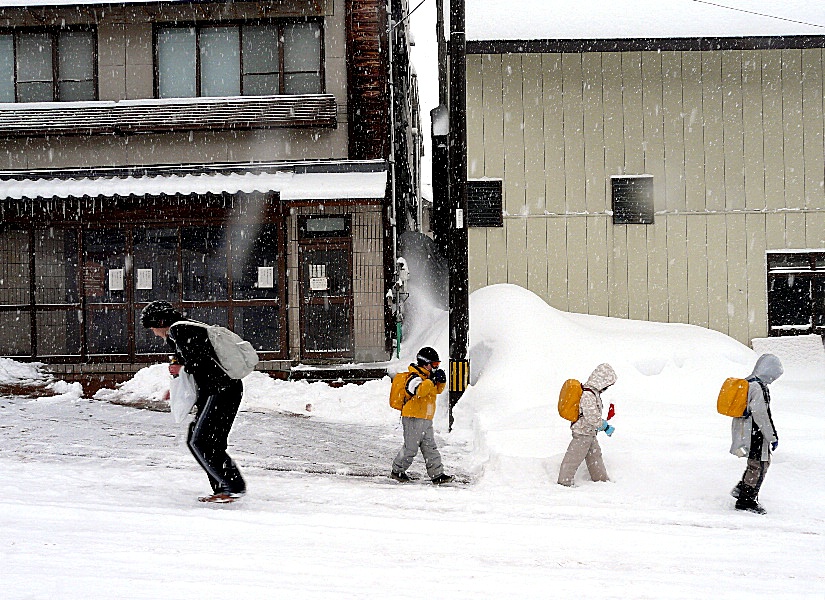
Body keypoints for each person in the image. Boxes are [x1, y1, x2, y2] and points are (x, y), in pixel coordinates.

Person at [140, 301, 247, 503]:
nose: (153, 332)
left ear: (160, 321)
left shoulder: (180, 330)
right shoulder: (184, 328)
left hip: (220, 390)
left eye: (152, 327)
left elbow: (200, 362)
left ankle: (231, 487)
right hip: (221, 389)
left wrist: (182, 369)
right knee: (206, 441)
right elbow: (197, 357)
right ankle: (225, 487)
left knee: (201, 440)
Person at [391, 346, 454, 485]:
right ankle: (397, 470)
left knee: (430, 447)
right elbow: (420, 391)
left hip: (425, 418)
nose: (436, 367)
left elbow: (436, 390)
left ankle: (437, 474)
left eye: (437, 364)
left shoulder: (427, 377)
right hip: (413, 418)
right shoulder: (414, 377)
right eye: (434, 364)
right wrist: (431, 380)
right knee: (411, 448)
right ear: (425, 363)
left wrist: (441, 380)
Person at [730, 353, 782, 514]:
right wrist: (772, 436)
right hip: (755, 433)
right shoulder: (758, 387)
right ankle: (747, 500)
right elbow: (762, 415)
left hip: (744, 430)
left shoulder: (747, 382)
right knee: (760, 464)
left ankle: (743, 489)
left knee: (755, 463)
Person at [557, 363, 616, 486]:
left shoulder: (593, 393)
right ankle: (564, 482)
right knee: (573, 458)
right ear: (602, 381)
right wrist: (604, 426)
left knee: (595, 457)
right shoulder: (588, 395)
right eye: (607, 385)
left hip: (589, 432)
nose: (607, 388)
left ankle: (601, 480)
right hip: (582, 433)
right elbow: (591, 417)